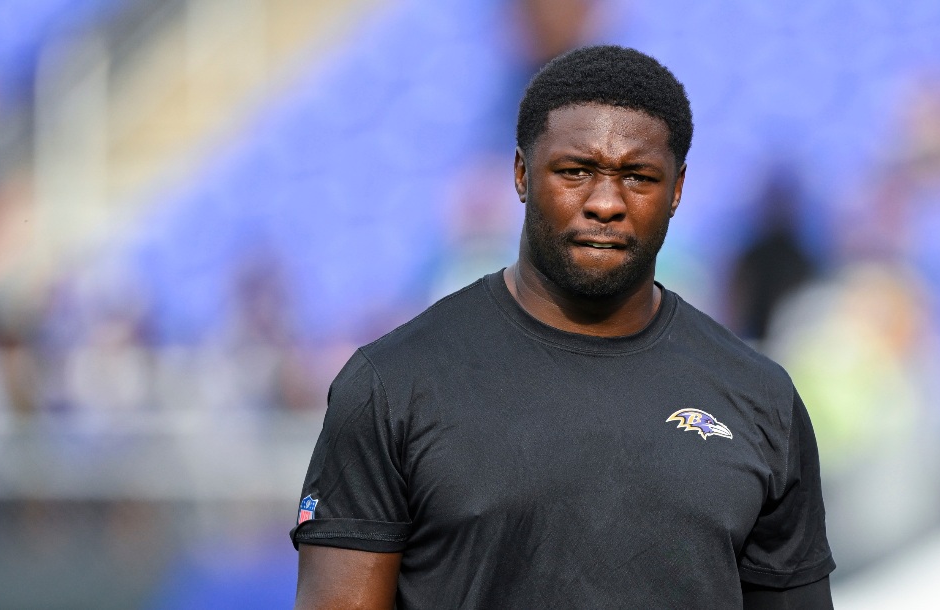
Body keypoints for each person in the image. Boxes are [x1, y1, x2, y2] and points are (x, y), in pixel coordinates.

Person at [291, 45, 835, 609]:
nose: (605, 202)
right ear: (523, 175)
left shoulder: (761, 400)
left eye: (638, 176)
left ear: (676, 190)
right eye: (575, 171)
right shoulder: (391, 385)